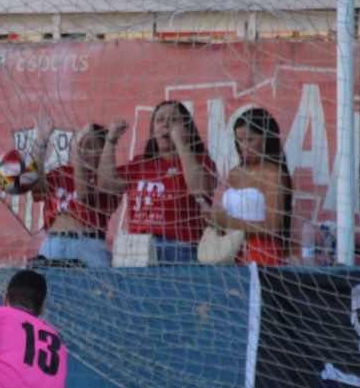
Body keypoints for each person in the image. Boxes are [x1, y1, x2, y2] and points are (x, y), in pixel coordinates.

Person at [98, 101, 216, 264]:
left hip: (182, 248)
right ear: (153, 130)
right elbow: (106, 185)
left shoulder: (200, 161)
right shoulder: (141, 163)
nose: (166, 124)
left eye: (174, 120)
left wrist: (181, 144)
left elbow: (201, 190)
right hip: (138, 247)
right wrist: (110, 141)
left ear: (186, 128)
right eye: (160, 120)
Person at [202, 107, 292, 266]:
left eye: (250, 139)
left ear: (267, 138)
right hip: (230, 251)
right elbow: (229, 214)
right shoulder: (235, 172)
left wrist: (228, 221)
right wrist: (213, 217)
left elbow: (273, 226)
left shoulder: (273, 174)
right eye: (240, 140)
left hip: (262, 253)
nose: (244, 146)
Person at [26, 114, 118, 267]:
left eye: (90, 146)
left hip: (90, 244)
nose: (83, 150)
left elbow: (84, 196)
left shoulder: (107, 179)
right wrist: (42, 140)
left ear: (104, 151)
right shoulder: (61, 172)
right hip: (54, 242)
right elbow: (36, 188)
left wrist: (77, 154)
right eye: (81, 144)